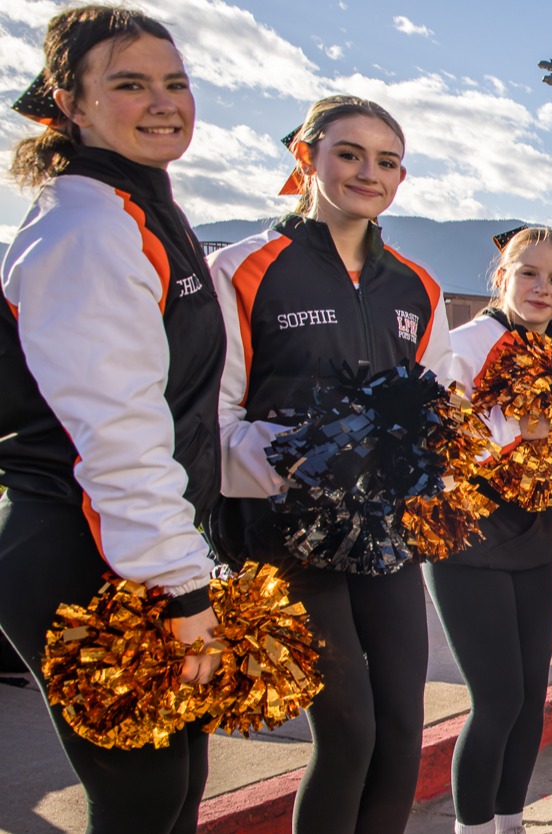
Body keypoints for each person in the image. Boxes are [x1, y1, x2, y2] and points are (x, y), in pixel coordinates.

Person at [0, 8, 223, 832]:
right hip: (77, 545)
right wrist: (181, 587)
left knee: (178, 785)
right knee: (141, 800)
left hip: (132, 547)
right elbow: (118, 436)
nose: (163, 102)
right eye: (129, 84)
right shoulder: (90, 226)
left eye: (175, 83)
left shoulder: (142, 205)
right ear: (72, 102)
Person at [209, 94, 454, 834]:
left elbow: (439, 407)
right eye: (348, 153)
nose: (367, 173)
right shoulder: (243, 268)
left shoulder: (418, 285)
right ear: (307, 158)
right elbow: (212, 420)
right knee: (348, 736)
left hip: (386, 539)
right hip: (284, 540)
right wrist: (307, 466)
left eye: (385, 161)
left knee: (402, 731)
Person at [429, 226, 552, 834]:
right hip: (470, 540)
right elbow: (441, 447)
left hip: (532, 538)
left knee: (528, 701)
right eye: (529, 273)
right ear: (501, 275)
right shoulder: (465, 344)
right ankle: (472, 827)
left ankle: (510, 822)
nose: (542, 288)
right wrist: (523, 437)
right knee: (495, 701)